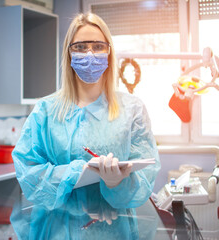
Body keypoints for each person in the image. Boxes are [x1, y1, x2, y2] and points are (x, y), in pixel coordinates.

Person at [12, 12, 160, 212]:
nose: (90, 54)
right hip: (57, 229)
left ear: (109, 52)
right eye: (80, 47)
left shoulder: (132, 110)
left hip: (114, 228)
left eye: (98, 46)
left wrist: (116, 183)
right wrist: (77, 172)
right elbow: (28, 174)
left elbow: (144, 179)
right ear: (69, 53)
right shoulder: (45, 111)